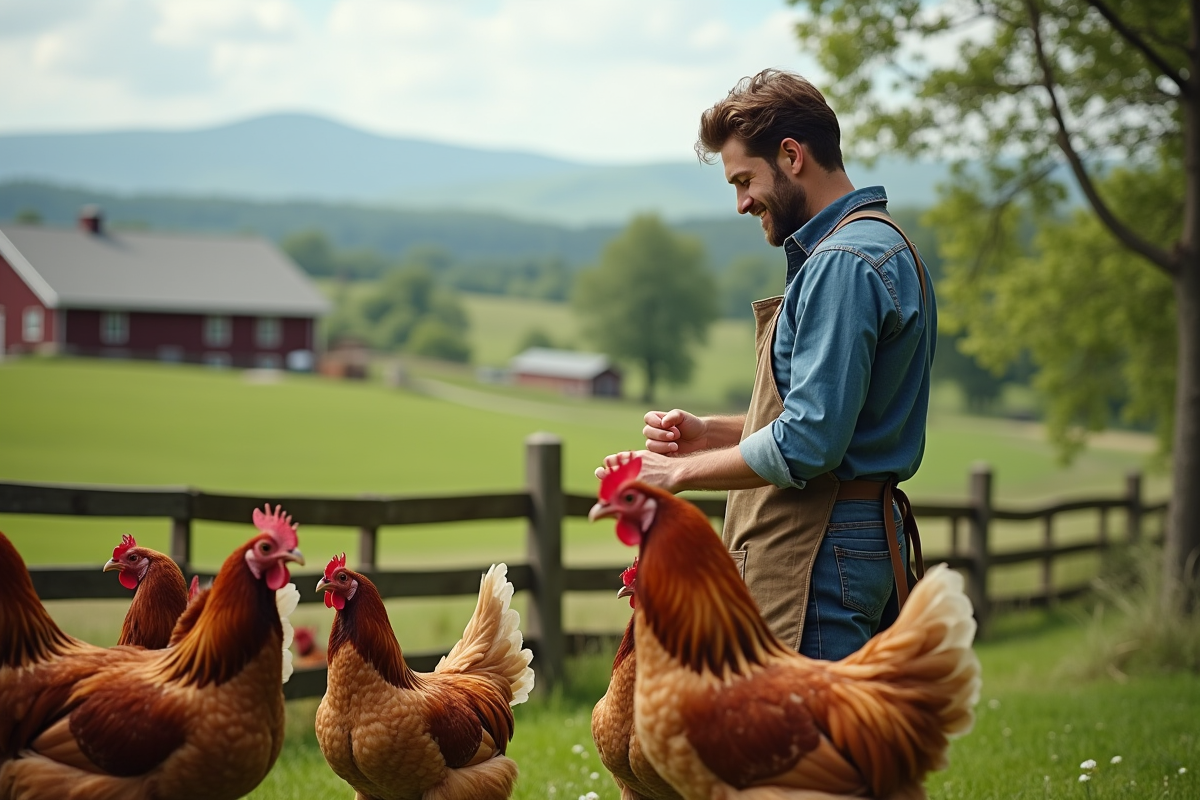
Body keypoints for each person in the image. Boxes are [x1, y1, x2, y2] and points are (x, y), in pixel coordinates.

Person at [596, 69, 936, 661]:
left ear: (791, 155)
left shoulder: (842, 264)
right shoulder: (881, 243)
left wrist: (676, 475)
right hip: (846, 535)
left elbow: (809, 442)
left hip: (819, 546)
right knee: (838, 743)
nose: (741, 203)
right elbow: (831, 418)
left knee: (800, 746)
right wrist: (708, 435)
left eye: (745, 180)